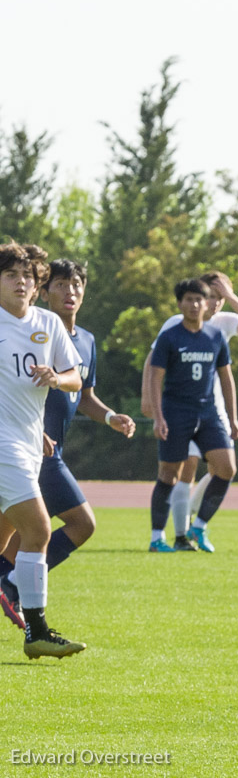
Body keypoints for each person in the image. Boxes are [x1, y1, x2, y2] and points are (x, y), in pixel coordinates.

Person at [0, 259, 135, 631]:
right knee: (74, 524)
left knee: (14, 531)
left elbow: (84, 394)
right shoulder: (28, 328)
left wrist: (111, 418)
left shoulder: (85, 340)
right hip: (27, 449)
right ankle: (16, 590)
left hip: (39, 449)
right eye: (60, 284)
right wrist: (34, 429)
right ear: (44, 292)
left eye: (76, 284)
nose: (70, 291)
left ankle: (10, 579)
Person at [0, 242, 87, 658]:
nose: (21, 283)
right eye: (12, 275)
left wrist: (56, 377)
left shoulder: (48, 324)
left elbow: (75, 378)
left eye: (28, 277)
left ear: (37, 286)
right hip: (4, 446)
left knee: (4, 541)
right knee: (39, 530)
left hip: (28, 444)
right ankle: (36, 631)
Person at [141, 271, 238, 551]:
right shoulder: (173, 329)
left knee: (226, 468)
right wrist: (150, 404)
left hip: (211, 412)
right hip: (177, 411)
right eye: (211, 296)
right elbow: (154, 365)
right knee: (178, 471)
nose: (212, 304)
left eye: (218, 299)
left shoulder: (220, 329)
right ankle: (169, 536)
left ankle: (197, 528)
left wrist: (231, 296)